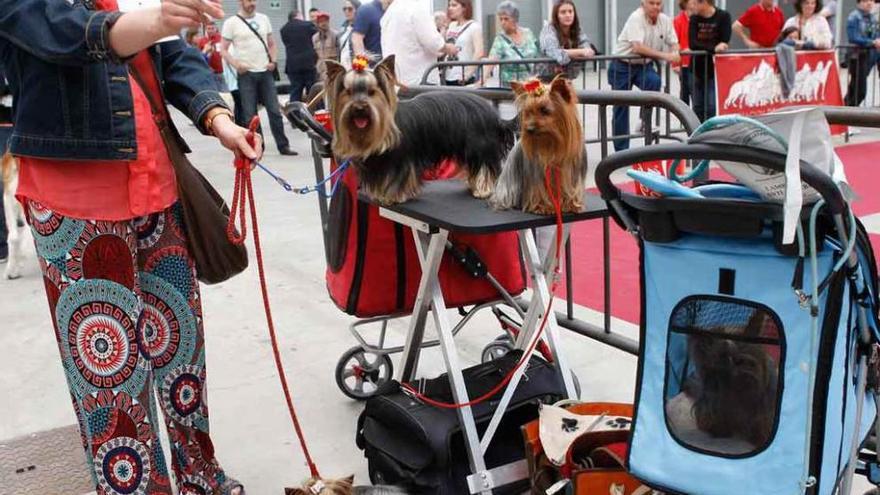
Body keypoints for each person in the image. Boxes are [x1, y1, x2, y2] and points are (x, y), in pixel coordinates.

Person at [0, 0, 263, 493]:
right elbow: (62, 34)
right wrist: (153, 21)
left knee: (181, 349)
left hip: (158, 188)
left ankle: (199, 476)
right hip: (75, 199)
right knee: (110, 374)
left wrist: (218, 117)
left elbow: (172, 56)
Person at [221, 0, 296, 155]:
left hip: (265, 72)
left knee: (274, 111)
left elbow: (272, 43)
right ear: (241, 2)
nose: (253, 3)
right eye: (249, 0)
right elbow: (223, 49)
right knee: (250, 114)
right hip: (246, 74)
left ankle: (283, 145)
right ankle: (257, 146)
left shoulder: (264, 19)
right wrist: (236, 65)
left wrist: (273, 61)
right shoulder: (231, 22)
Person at [609, 0, 680, 151]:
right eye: (651, 3)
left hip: (643, 65)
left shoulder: (665, 20)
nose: (656, 6)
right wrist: (665, 56)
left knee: (654, 82)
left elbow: (674, 41)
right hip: (622, 64)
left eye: (659, 3)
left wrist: (675, 51)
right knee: (621, 106)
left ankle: (643, 121)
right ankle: (621, 151)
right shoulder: (636, 17)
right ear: (643, 3)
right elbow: (638, 47)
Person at [380, 0, 458, 85]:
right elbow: (433, 42)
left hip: (398, 79)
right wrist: (449, 48)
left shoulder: (389, 12)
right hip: (420, 78)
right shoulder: (416, 8)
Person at [689, 0, 731, 121]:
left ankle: (710, 133)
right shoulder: (694, 19)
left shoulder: (723, 16)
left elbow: (724, 41)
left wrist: (712, 47)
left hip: (714, 70)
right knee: (697, 106)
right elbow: (693, 43)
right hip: (696, 68)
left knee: (712, 106)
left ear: (705, 3)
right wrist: (713, 48)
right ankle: (697, 133)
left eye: (695, 3)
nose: (692, 6)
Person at [486, 1, 541, 88]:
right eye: (501, 19)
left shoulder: (528, 33)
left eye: (506, 19)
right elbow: (491, 61)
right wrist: (482, 80)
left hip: (531, 84)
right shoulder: (500, 39)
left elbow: (538, 54)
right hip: (511, 87)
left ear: (515, 19)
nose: (503, 22)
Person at [539, 0, 595, 82]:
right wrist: (581, 52)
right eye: (563, 12)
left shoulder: (577, 29)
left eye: (570, 11)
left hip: (566, 78)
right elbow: (555, 53)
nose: (568, 15)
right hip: (544, 80)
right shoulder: (548, 30)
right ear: (556, 15)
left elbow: (587, 48)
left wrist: (584, 51)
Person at [844, 0, 880, 106]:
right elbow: (853, 37)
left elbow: (875, 34)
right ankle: (846, 113)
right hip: (857, 56)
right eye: (865, 1)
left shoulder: (872, 18)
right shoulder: (854, 17)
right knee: (859, 91)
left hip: (869, 56)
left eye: (871, 1)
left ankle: (844, 112)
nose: (869, 3)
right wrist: (872, 42)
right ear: (859, 3)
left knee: (854, 89)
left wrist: (876, 41)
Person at [281, 10, 318, 104]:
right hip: (308, 64)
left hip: (292, 66)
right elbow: (316, 37)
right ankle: (314, 113)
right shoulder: (308, 25)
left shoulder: (283, 29)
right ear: (298, 15)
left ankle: (294, 114)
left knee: (295, 92)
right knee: (313, 91)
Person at [444, 0, 484, 86]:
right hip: (448, 74)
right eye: (449, 5)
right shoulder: (451, 26)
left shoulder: (474, 27)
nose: (450, 8)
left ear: (464, 7)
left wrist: (467, 74)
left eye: (454, 5)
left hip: (463, 77)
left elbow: (479, 52)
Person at [673, 0, 695, 105]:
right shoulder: (678, 20)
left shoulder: (698, 18)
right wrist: (676, 64)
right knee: (685, 92)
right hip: (684, 63)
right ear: (685, 3)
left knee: (696, 92)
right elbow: (674, 42)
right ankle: (684, 119)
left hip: (696, 62)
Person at [196, 22, 226, 89]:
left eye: (212, 28)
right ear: (206, 30)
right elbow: (199, 56)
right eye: (208, 28)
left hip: (222, 72)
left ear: (216, 29)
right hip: (209, 73)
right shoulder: (202, 41)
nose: (210, 30)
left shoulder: (222, 39)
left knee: (224, 92)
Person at [313, 11, 340, 79]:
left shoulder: (336, 35)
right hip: (321, 70)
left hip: (333, 69)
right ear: (317, 23)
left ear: (328, 21)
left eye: (325, 20)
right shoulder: (314, 38)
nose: (323, 23)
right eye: (321, 21)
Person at [338, 0, 362, 69]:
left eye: (350, 9)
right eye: (344, 9)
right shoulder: (343, 28)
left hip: (357, 68)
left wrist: (359, 68)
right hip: (344, 68)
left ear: (358, 10)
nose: (346, 11)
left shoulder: (361, 28)